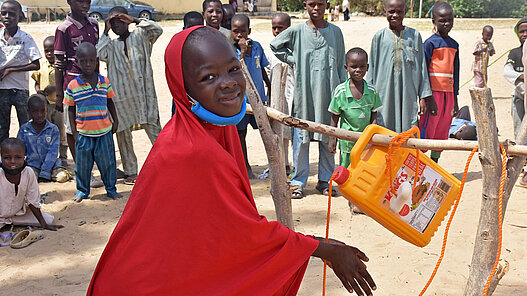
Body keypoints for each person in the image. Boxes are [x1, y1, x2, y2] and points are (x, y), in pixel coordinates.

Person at [87, 26, 376, 296]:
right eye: (208, 77)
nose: (228, 83)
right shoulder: (191, 150)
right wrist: (324, 249)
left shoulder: (209, 131)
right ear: (182, 88)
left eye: (233, 69)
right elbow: (243, 236)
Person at [271, 0, 347, 199]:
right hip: (304, 95)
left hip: (329, 94)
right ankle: (298, 182)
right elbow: (275, 45)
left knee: (328, 135)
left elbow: (340, 65)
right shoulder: (297, 31)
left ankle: (325, 180)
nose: (316, 8)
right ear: (305, 5)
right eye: (312, 4)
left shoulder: (335, 32)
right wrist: (294, 59)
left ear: (327, 5)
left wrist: (341, 94)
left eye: (320, 4)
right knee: (301, 139)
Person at [97, 6, 163, 185]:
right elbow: (99, 53)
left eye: (120, 21)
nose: (117, 25)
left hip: (145, 95)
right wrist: (105, 30)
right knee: (123, 134)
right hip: (122, 99)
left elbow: (158, 29)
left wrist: (134, 20)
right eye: (113, 22)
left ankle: (168, 165)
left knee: (156, 131)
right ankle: (131, 171)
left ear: (127, 20)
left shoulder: (140, 36)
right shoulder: (110, 45)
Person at [64, 43, 121, 202]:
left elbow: (110, 102)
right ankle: (82, 191)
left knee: (108, 163)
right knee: (82, 165)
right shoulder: (73, 85)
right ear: (77, 61)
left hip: (104, 131)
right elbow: (70, 109)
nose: (88, 64)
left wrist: (115, 120)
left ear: (96, 61)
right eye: (83, 61)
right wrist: (74, 131)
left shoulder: (104, 81)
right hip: (83, 133)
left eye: (91, 60)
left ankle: (111, 189)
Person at [367, 0, 433, 133]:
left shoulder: (414, 36)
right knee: (383, 127)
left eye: (399, 12)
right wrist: (369, 97)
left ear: (405, 11)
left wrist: (424, 96)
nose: (395, 15)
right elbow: (372, 69)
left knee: (408, 128)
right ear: (385, 12)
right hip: (383, 94)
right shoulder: (379, 37)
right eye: (391, 11)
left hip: (408, 93)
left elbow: (422, 67)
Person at [328, 48, 382, 215]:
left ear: (367, 67)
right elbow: (334, 117)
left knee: (363, 171)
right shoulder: (340, 92)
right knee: (348, 171)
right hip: (347, 141)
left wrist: (372, 134)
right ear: (346, 68)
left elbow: (374, 113)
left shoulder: (371, 91)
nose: (358, 71)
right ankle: (351, 201)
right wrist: (332, 139)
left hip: (365, 141)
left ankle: (361, 201)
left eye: (361, 67)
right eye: (353, 67)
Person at [54, 0, 99, 161]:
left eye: (88, 1)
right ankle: (81, 166)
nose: (85, 5)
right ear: (69, 2)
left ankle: (94, 163)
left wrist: (99, 83)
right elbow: (58, 64)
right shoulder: (64, 28)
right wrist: (60, 95)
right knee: (72, 127)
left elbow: (97, 57)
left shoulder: (94, 24)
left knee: (93, 123)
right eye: (80, 1)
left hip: (94, 85)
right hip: (72, 85)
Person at [419, 1, 459, 163]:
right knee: (428, 128)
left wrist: (455, 100)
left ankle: (434, 163)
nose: (446, 24)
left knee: (442, 129)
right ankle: (419, 163)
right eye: (442, 20)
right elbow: (423, 72)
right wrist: (426, 98)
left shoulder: (454, 45)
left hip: (448, 95)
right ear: (434, 21)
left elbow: (455, 74)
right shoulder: (430, 43)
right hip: (432, 94)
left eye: (449, 20)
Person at [232, 14, 270, 179]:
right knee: (241, 134)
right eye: (236, 31)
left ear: (249, 31)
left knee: (266, 131)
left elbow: (261, 68)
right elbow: (235, 68)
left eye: (243, 31)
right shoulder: (230, 50)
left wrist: (268, 84)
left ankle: (275, 163)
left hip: (259, 99)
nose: (240, 35)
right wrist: (242, 52)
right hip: (241, 101)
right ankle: (245, 166)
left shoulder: (257, 47)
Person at [0, 0, 41, 144]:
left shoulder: (25, 38)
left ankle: (27, 158)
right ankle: (4, 161)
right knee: (2, 127)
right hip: (2, 89)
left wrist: (10, 69)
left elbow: (36, 64)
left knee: (25, 126)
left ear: (20, 17)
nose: (7, 17)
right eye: (3, 13)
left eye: (11, 14)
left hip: (20, 89)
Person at [0, 138, 62, 231]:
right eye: (7, 157)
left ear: (24, 157)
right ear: (1, 158)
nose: (12, 161)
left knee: (49, 220)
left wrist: (43, 224)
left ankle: (9, 222)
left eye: (18, 157)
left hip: (17, 214)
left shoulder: (28, 172)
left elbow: (32, 201)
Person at [31, 36, 68, 162]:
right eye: (47, 51)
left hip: (59, 105)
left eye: (52, 50)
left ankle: (63, 158)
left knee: (61, 131)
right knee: (46, 131)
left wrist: (55, 88)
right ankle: (47, 157)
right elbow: (36, 81)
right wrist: (38, 90)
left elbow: (67, 84)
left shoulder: (63, 66)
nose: (49, 54)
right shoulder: (41, 66)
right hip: (45, 106)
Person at [17, 95, 67, 183]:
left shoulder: (53, 129)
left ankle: (49, 174)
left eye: (43, 111)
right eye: (35, 112)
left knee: (62, 177)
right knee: (29, 178)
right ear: (29, 112)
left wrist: (45, 172)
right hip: (32, 166)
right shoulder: (24, 130)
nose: (39, 115)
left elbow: (53, 152)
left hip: (52, 166)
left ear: (47, 110)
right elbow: (20, 151)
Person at [269, 12, 294, 174]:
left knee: (294, 134)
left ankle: (296, 165)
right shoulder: (271, 49)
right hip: (277, 99)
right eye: (274, 28)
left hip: (294, 98)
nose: (277, 31)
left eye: (281, 27)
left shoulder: (294, 49)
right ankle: (283, 164)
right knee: (279, 133)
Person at [504, 17, 527, 187]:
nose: (525, 34)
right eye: (522, 31)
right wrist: (522, 77)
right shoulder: (515, 53)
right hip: (520, 99)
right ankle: (523, 170)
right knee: (521, 134)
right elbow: (507, 72)